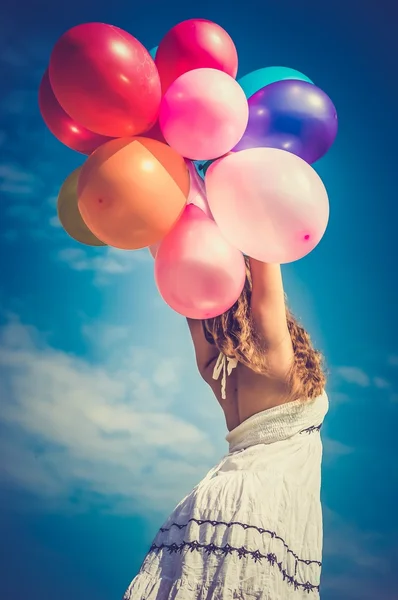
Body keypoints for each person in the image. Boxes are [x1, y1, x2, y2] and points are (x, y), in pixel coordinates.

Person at [123, 258, 328, 599]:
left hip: (207, 507)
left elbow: (181, 269)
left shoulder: (214, 367)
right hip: (260, 513)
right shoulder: (276, 355)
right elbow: (265, 250)